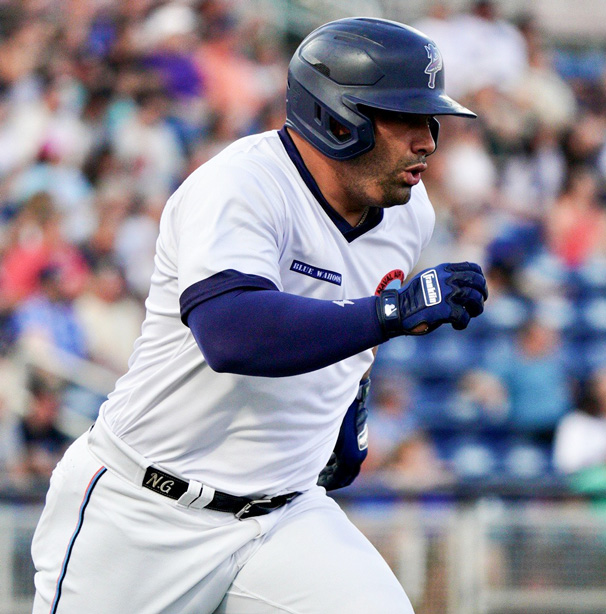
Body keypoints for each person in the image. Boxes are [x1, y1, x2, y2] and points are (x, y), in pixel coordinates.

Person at [30, 17, 488, 614]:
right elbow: (232, 334)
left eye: (431, 121)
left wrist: (351, 403)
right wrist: (390, 312)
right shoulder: (240, 184)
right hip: (146, 509)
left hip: (285, 517)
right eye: (405, 117)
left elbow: (355, 321)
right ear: (337, 117)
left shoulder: (410, 211)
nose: (427, 140)